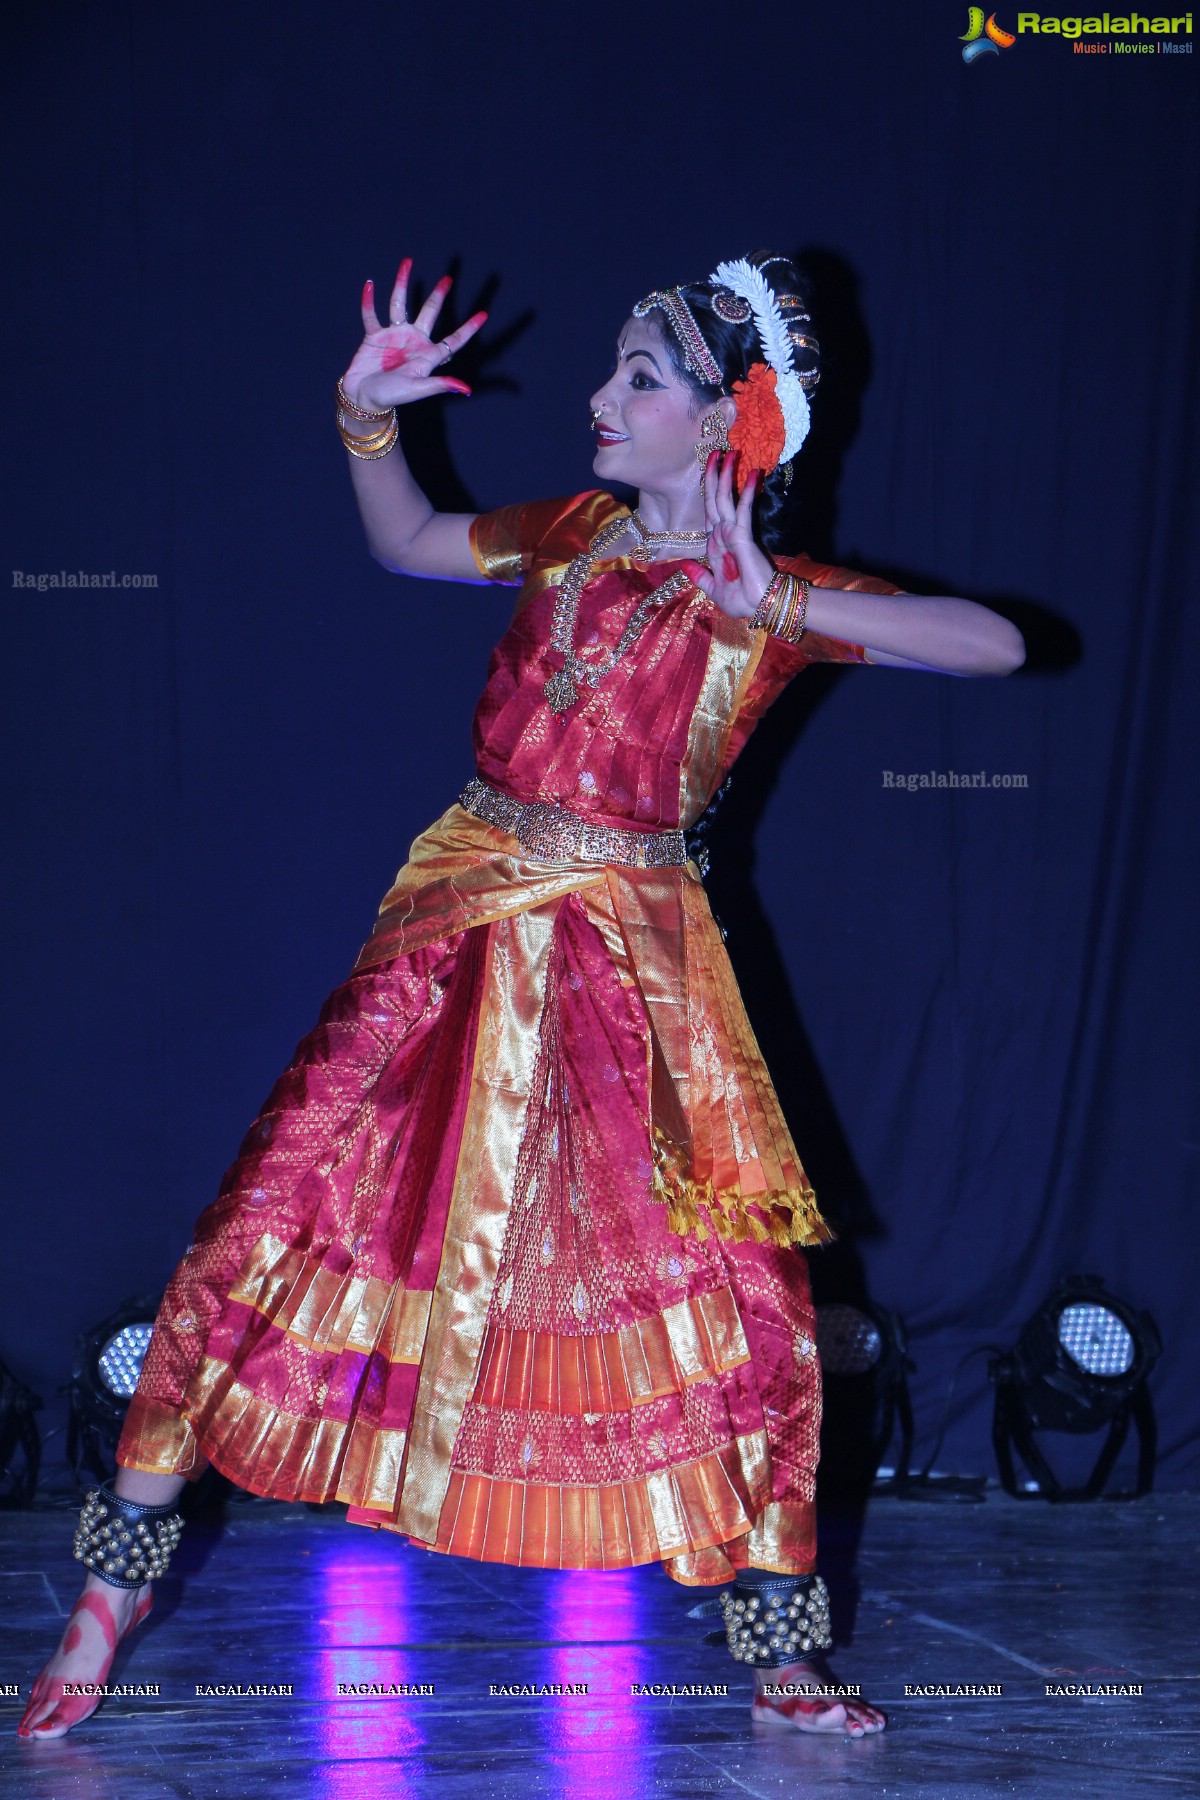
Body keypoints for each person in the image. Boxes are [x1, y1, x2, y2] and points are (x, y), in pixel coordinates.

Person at [20, 252, 1024, 1743]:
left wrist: (783, 592)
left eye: (639, 379)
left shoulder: (762, 600)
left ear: (729, 421)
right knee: (266, 1216)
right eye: (611, 370)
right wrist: (367, 425)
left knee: (746, 1311)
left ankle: (781, 1647)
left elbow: (1000, 647)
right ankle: (111, 1593)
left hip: (638, 961)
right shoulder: (573, 528)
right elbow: (416, 538)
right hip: (457, 921)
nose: (599, 398)